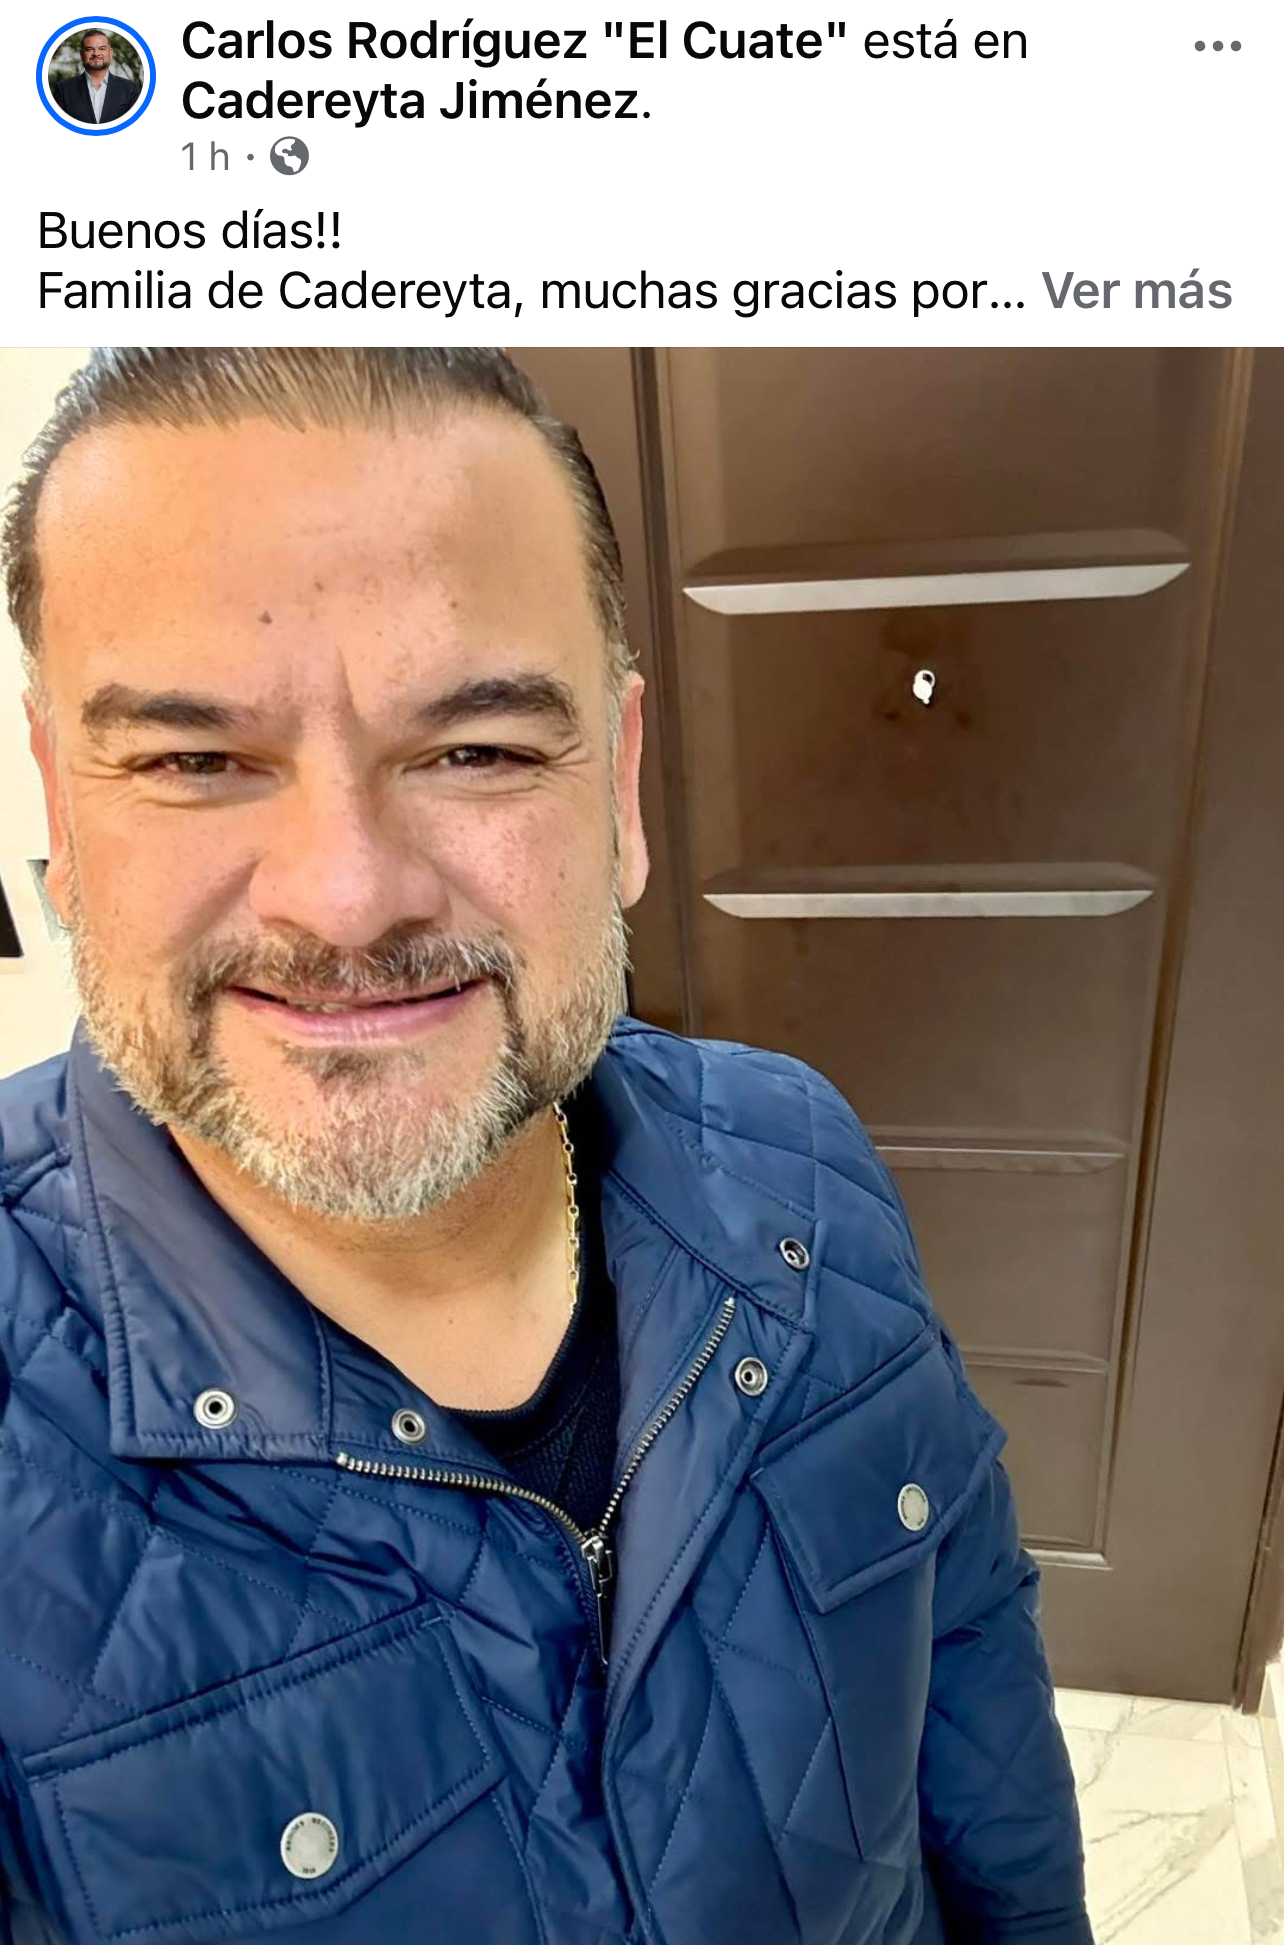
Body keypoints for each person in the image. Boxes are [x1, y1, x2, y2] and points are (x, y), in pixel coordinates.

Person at [0, 348, 1092, 1945]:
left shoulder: (800, 1160)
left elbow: (972, 1663)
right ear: (59, 803)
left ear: (620, 788)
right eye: (194, 761)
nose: (347, 895)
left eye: (479, 749)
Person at [50, 29, 140, 125]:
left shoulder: (130, 89)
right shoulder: (64, 89)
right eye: (89, 49)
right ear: (81, 54)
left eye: (102, 48)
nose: (96, 53)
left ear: (110, 53)